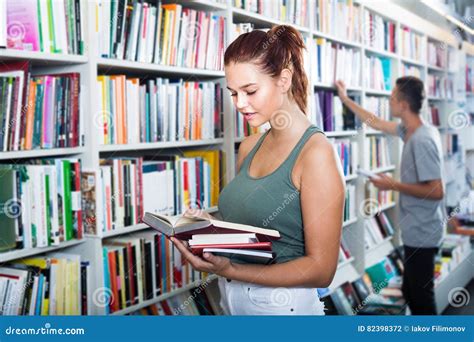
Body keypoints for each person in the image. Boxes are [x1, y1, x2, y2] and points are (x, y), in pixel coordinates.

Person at [171, 25, 345, 315]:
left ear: (284, 80)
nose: (240, 104)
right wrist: (206, 225)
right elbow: (249, 230)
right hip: (234, 302)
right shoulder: (249, 147)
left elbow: (321, 270)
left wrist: (232, 269)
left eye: (250, 91)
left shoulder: (316, 154)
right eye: (233, 93)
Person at [335, 76, 445, 315]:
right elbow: (376, 123)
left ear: (403, 105)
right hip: (418, 230)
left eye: (393, 97)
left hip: (424, 232)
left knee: (421, 298)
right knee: (411, 291)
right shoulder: (411, 130)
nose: (389, 100)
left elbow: (437, 191)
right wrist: (345, 99)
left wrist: (392, 185)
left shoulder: (422, 139)